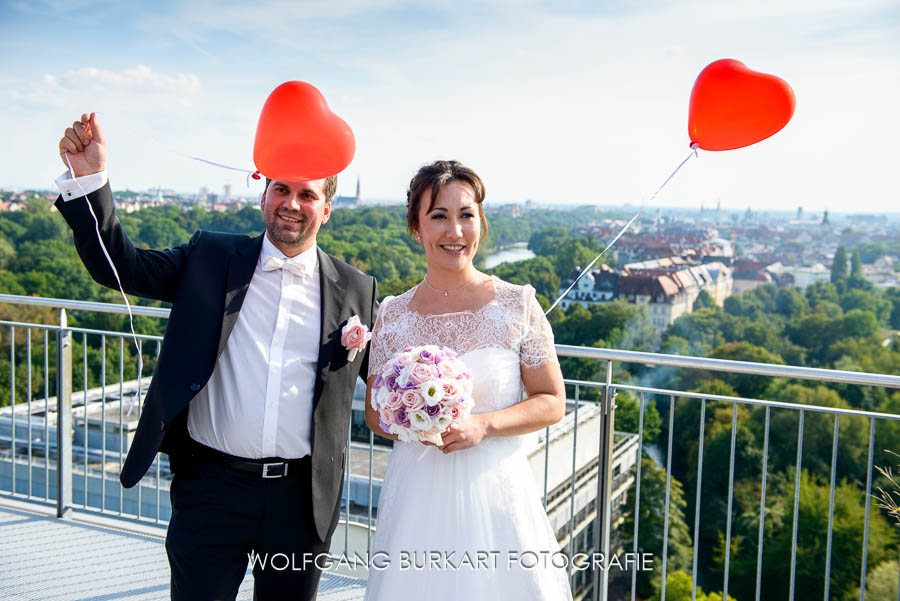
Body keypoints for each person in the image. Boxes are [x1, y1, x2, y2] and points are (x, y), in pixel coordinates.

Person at [55, 113, 378, 601]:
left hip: (302, 501)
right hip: (210, 489)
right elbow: (118, 267)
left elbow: (392, 378)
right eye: (281, 190)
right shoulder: (208, 257)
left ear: (327, 208)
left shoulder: (356, 289)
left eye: (308, 194)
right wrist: (90, 179)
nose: (292, 204)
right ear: (263, 195)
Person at [362, 160, 573, 599]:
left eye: (466, 215)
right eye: (438, 216)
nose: (454, 231)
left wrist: (484, 424)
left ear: (481, 224)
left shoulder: (518, 305)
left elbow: (552, 400)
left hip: (495, 498)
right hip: (416, 502)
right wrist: (413, 418)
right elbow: (374, 415)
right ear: (416, 228)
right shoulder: (393, 314)